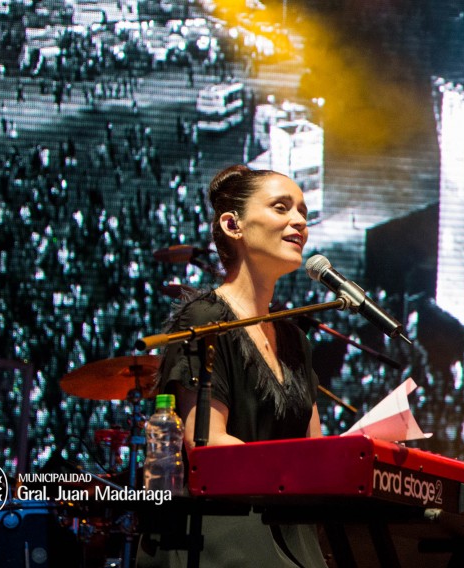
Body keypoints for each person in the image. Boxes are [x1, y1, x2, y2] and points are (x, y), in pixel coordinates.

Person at [137, 165, 327, 567]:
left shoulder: (295, 340)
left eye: (303, 212)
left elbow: (315, 447)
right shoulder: (204, 319)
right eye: (281, 208)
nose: (299, 222)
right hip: (224, 537)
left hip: (292, 535)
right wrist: (290, 471)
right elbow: (207, 442)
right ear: (232, 224)